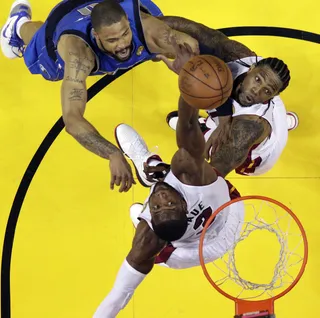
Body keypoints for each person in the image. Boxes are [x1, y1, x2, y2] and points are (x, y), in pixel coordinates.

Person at [0, 0, 199, 192]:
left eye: (124, 35)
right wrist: (112, 153)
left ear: (128, 22)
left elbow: (188, 46)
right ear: (96, 35)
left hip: (108, 7)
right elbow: (72, 119)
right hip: (68, 19)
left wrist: (174, 61)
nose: (122, 44)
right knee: (42, 45)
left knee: (157, 31)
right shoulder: (77, 56)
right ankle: (18, 26)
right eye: (113, 40)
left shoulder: (142, 26)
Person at [92, 95, 244, 317]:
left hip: (203, 238)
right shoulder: (192, 173)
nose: (162, 199)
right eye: (170, 203)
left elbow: (117, 297)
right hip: (216, 228)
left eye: (156, 208)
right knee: (211, 159)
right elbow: (187, 122)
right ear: (183, 203)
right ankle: (154, 169)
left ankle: (151, 168)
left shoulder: (150, 235)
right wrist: (191, 88)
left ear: (152, 218)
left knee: (140, 214)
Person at [156, 16, 298, 176]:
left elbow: (214, 173)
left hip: (254, 157)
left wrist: (172, 176)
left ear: (271, 97)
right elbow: (197, 30)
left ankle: (204, 127)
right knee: (212, 98)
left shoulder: (248, 128)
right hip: (250, 115)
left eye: (266, 91)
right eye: (257, 80)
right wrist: (146, 26)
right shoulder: (240, 57)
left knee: (203, 140)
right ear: (251, 68)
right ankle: (284, 121)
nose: (256, 90)